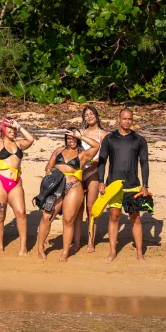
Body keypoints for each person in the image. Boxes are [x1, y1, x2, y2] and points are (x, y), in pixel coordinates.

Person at [36, 129, 100, 261]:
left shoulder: (82, 154)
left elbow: (96, 145)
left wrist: (81, 136)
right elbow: (49, 164)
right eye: (69, 138)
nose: (72, 140)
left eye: (74, 138)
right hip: (56, 186)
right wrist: (48, 169)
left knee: (68, 220)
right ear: (65, 139)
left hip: (73, 186)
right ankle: (40, 247)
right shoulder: (59, 151)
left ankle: (65, 252)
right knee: (47, 216)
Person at [97, 108, 150, 262]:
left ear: (132, 120)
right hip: (114, 184)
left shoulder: (139, 140)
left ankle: (140, 252)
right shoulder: (109, 139)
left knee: (136, 218)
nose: (127, 121)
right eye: (124, 118)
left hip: (133, 185)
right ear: (118, 120)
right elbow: (102, 161)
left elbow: (144, 163)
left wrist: (145, 184)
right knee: (114, 217)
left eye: (130, 119)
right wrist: (101, 181)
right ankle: (113, 251)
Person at [0, 118, 36, 256]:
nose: (12, 131)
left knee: (21, 213)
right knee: (0, 216)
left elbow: (31, 140)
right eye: (9, 128)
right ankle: (0, 247)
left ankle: (23, 247)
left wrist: (20, 126)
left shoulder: (19, 144)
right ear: (3, 130)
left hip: (16, 182)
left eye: (14, 129)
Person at [74, 105, 109, 254]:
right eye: (86, 115)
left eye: (91, 113)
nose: (89, 116)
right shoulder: (80, 132)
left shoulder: (104, 135)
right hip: (80, 172)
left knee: (91, 208)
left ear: (96, 115)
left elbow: (107, 157)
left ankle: (90, 241)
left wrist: (104, 179)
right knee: (78, 208)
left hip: (94, 172)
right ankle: (76, 241)